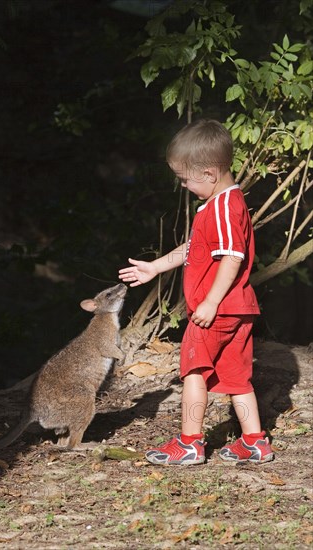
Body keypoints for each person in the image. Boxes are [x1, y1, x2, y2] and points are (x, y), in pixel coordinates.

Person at [118, 119, 274, 465]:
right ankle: (255, 441)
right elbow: (197, 248)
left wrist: (210, 302)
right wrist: (155, 267)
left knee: (193, 372)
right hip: (239, 309)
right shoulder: (226, 203)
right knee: (237, 377)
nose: (184, 185)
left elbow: (231, 258)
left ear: (210, 172)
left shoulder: (221, 208)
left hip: (216, 310)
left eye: (185, 179)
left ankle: (189, 443)